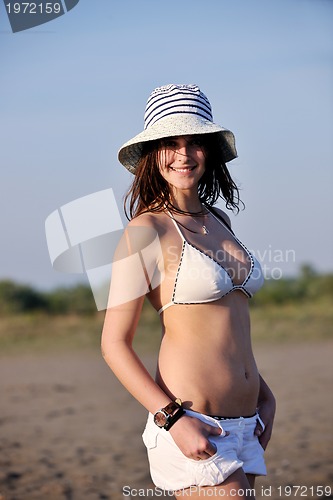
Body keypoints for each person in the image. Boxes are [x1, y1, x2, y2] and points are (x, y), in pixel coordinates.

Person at [101, 84, 276, 498]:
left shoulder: (220, 220)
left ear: (210, 150)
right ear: (151, 154)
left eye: (195, 141)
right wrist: (172, 419)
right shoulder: (146, 230)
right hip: (193, 423)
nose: (184, 154)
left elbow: (228, 328)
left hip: (248, 424)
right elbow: (113, 344)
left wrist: (265, 396)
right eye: (170, 143)